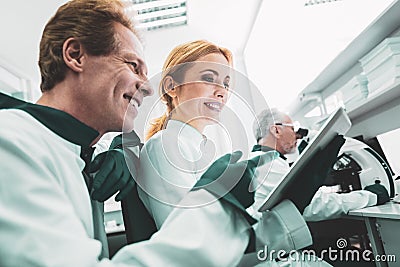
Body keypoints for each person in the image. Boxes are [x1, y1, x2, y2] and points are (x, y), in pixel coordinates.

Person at [0, 1, 307, 266]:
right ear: (76, 55)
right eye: (133, 66)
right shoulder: (13, 143)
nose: (147, 87)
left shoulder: (75, 155)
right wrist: (220, 207)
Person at [137, 40, 316, 265]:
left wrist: (290, 207)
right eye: (209, 78)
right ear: (172, 87)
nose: (222, 92)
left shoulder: (200, 150)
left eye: (227, 84)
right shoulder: (165, 146)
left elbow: (226, 232)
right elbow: (195, 245)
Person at [249, 108, 389, 220]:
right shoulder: (269, 164)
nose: (297, 135)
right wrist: (371, 196)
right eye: (292, 128)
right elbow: (314, 205)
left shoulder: (264, 160)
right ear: (277, 130)